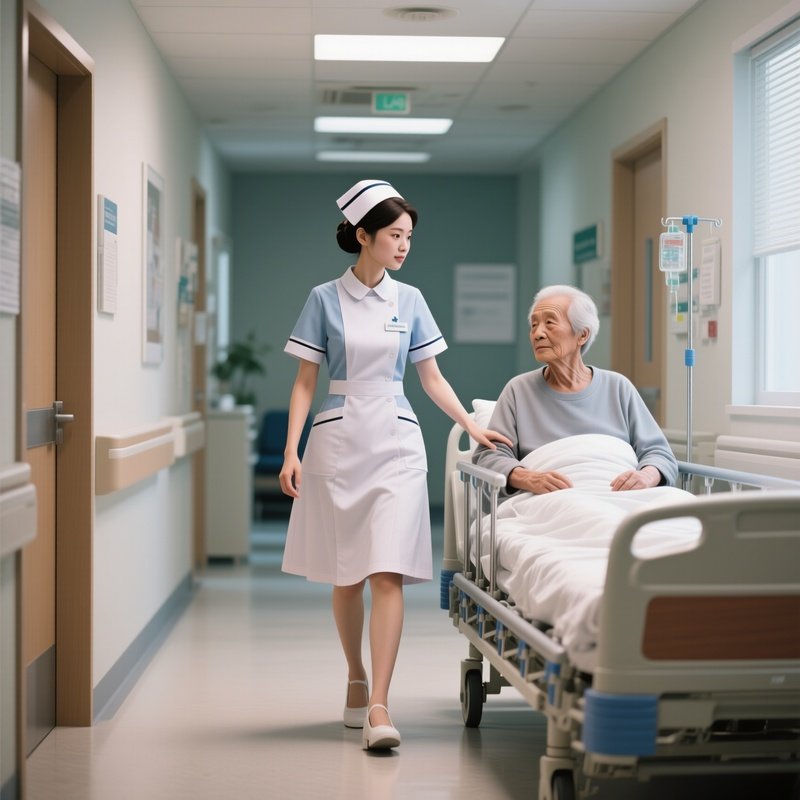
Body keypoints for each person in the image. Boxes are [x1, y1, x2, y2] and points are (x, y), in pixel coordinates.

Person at [279, 179, 510, 751]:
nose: (404, 246)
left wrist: (472, 425)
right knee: (347, 576)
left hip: (398, 444)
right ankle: (355, 676)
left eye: (409, 236)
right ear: (364, 236)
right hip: (338, 442)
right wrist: (291, 450)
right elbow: (305, 381)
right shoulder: (322, 299)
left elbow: (431, 377)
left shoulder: (410, 300)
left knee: (387, 572)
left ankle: (380, 704)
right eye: (395, 235)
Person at [473, 284, 677, 496]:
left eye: (550, 323)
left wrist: (646, 476)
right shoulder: (518, 390)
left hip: (620, 496)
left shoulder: (618, 387)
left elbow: (659, 453)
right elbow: (490, 457)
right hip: (551, 500)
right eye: (534, 325)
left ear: (582, 335)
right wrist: (529, 478)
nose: (538, 334)